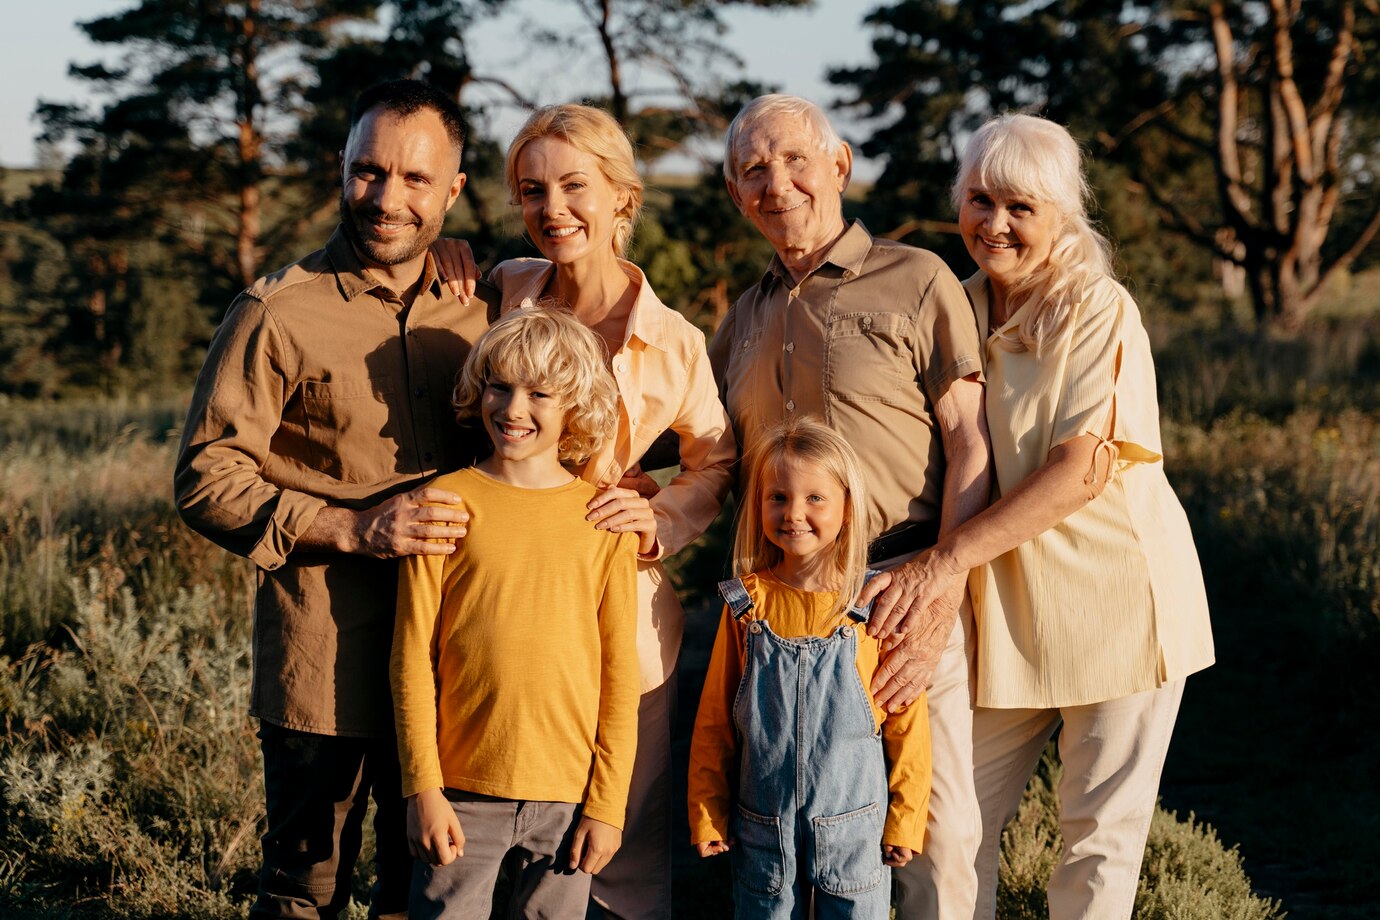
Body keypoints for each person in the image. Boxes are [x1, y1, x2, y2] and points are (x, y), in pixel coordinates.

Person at [871, 113, 1215, 919]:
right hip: (1003, 617)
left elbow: (1079, 471)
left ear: (1063, 211)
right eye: (980, 200)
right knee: (948, 829)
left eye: (1021, 207)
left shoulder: (1097, 306)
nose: (995, 225)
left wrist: (942, 565)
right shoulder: (948, 306)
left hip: (1117, 605)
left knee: (1097, 843)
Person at [174, 80, 496, 919]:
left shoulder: (483, 311)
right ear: (342, 171)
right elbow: (206, 474)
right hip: (324, 664)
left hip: (454, 666)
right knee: (300, 891)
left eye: (416, 179)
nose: (387, 198)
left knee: (424, 888)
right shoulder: (276, 313)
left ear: (453, 190)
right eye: (367, 172)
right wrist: (353, 528)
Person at [433, 102, 735, 919]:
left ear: (621, 198)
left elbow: (717, 458)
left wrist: (662, 519)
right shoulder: (500, 291)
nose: (552, 209)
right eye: (532, 191)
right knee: (473, 822)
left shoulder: (671, 341)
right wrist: (448, 251)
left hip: (613, 614)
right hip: (491, 601)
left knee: (613, 840)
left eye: (575, 186)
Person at [707, 93, 991, 916]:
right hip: (777, 615)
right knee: (789, 844)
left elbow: (970, 445)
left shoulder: (917, 278)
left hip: (900, 593)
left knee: (929, 835)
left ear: (839, 166)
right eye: (752, 169)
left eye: (795, 159)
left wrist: (943, 591)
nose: (776, 182)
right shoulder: (745, 316)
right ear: (735, 192)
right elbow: (703, 454)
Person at [391, 307, 641, 917]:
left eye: (540, 394)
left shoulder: (604, 521)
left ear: (576, 406)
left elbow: (619, 675)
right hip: (460, 792)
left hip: (568, 799)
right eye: (499, 386)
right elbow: (412, 656)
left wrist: (606, 807)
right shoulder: (444, 503)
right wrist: (421, 786)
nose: (513, 408)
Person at [687, 417, 931, 919]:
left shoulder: (870, 605)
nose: (794, 513)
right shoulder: (746, 604)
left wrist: (906, 820)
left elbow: (907, 723)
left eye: (815, 498)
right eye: (778, 497)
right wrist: (708, 810)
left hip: (855, 833)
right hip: (763, 830)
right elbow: (715, 720)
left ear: (847, 506)